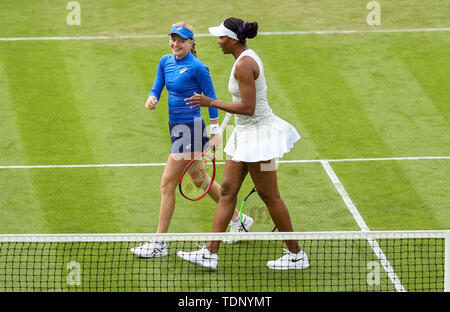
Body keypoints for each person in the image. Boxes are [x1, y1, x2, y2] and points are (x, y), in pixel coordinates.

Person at [177, 17, 309, 270]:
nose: (218, 42)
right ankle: (210, 252)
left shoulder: (244, 65)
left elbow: (248, 108)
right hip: (246, 136)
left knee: (270, 196)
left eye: (221, 37)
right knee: (227, 191)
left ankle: (296, 254)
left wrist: (211, 102)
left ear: (233, 39)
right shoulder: (243, 59)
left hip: (260, 139)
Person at [131, 22, 253, 258]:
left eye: (181, 40)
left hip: (190, 130)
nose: (175, 43)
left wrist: (216, 130)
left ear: (191, 43)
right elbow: (158, 87)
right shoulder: (165, 61)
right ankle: (238, 218)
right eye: (172, 39)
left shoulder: (198, 68)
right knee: (200, 180)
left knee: (167, 183)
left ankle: (159, 242)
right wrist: (152, 98)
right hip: (175, 127)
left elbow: (212, 98)